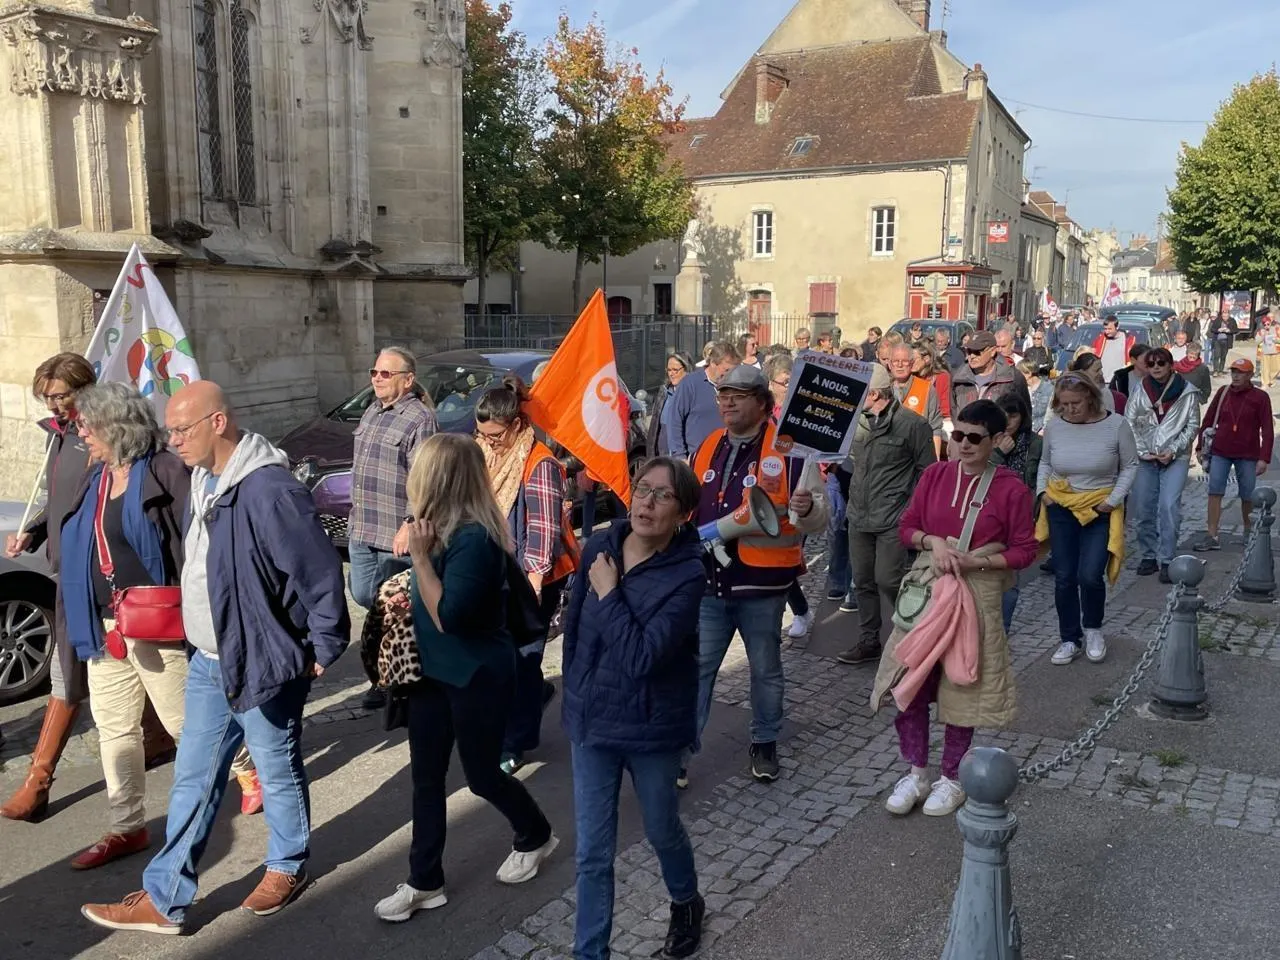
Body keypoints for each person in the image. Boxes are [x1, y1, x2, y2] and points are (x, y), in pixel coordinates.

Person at [81, 381, 350, 933]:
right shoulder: (203, 478)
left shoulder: (269, 490)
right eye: (170, 430)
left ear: (218, 423)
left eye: (182, 429)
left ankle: (287, 865)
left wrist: (324, 645)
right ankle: (165, 897)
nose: (173, 440)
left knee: (275, 767)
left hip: (262, 656)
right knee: (193, 777)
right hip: (208, 659)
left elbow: (318, 572)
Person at [372, 433, 558, 924]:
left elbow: (449, 618)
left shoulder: (474, 539)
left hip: (476, 675)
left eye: (418, 470)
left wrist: (418, 560)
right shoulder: (433, 529)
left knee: (481, 776)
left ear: (436, 478)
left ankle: (536, 834)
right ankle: (424, 881)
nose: (411, 479)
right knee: (426, 779)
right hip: (433, 675)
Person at [564, 457, 706, 960]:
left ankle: (686, 900)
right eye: (643, 489)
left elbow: (642, 658)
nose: (647, 503)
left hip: (652, 727)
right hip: (594, 724)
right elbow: (575, 634)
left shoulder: (688, 576)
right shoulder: (599, 547)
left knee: (661, 829)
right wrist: (576, 697)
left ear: (683, 513)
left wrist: (609, 592)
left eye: (663, 496)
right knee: (592, 854)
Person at [871, 400, 1036, 817]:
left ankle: (952, 777)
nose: (963, 444)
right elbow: (907, 528)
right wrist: (934, 542)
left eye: (974, 438)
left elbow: (1025, 551)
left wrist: (978, 561)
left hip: (976, 596)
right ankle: (916, 772)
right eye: (957, 435)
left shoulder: (1011, 489)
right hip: (928, 591)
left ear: (996, 440)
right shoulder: (935, 475)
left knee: (962, 687)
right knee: (909, 681)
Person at [57, 384, 192, 869]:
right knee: (114, 730)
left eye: (87, 425)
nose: (81, 434)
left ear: (116, 426)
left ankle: (245, 772)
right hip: (103, 624)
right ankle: (127, 826)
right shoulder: (96, 476)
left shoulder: (163, 470)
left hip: (156, 621)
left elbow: (191, 543)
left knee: (183, 723)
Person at [689, 365, 827, 783]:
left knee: (765, 671)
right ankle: (679, 752)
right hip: (711, 582)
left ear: (764, 403)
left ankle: (765, 742)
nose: (727, 403)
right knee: (697, 671)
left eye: (738, 395)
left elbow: (820, 516)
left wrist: (809, 509)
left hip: (764, 584)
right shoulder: (709, 443)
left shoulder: (792, 450)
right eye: (723, 395)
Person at [2, 354, 98, 820]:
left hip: (98, 571)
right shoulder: (57, 436)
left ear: (85, 389)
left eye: (60, 396)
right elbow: (58, 501)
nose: (53, 405)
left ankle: (37, 781)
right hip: (68, 569)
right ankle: (38, 781)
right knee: (77, 669)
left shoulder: (101, 435)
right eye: (46, 397)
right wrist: (34, 531)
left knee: (77, 672)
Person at [474, 376, 579, 773]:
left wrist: (533, 583)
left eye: (495, 436)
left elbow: (544, 528)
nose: (489, 443)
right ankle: (530, 699)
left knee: (523, 659)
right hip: (497, 574)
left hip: (532, 578)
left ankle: (515, 743)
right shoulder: (487, 455)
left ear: (517, 425)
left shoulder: (540, 464)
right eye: (482, 435)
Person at [349, 347, 437, 712]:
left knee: (393, 606)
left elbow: (424, 478)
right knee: (364, 595)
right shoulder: (372, 410)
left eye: (386, 373)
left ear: (408, 380)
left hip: (394, 533)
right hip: (363, 526)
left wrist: (409, 524)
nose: (377, 379)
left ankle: (389, 680)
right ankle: (394, 669)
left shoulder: (419, 419)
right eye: (374, 372)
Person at [838, 365, 936, 665]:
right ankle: (869, 640)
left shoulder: (913, 425)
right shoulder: (852, 422)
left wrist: (911, 510)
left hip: (893, 518)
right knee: (863, 581)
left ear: (875, 394)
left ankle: (913, 631)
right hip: (859, 515)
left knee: (888, 579)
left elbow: (928, 474)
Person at [1037, 373, 1138, 664]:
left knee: (1090, 575)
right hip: (1061, 505)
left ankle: (1093, 628)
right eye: (1064, 404)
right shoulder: (1055, 426)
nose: (1069, 409)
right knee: (1064, 577)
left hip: (1099, 507)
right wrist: (1043, 492)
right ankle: (1069, 638)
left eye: (1075, 403)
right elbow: (1045, 462)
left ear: (1091, 399)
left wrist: (1112, 501)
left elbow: (1130, 465)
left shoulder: (1116, 425)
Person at [1127, 347, 1200, 583]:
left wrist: (1174, 450)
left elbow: (1192, 425)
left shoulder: (1187, 391)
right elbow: (1129, 421)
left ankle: (1167, 559)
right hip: (1146, 457)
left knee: (1168, 506)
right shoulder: (1141, 388)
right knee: (1143, 507)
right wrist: (1142, 451)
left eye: (1161, 363)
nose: (1156, 367)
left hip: (1175, 457)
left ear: (1170, 365)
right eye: (1151, 364)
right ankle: (1148, 555)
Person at [763, 355, 821, 635]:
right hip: (769, 494)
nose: (789, 387)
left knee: (785, 558)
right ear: (771, 384)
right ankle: (799, 611)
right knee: (776, 559)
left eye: (793, 382)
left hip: (799, 494)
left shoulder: (803, 413)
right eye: (785, 382)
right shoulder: (763, 416)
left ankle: (798, 612)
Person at [1193, 359, 1274, 550]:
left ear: (1250, 375)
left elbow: (1267, 430)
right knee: (1214, 491)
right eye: (1234, 372)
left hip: (1248, 453)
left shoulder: (1260, 397)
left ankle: (1248, 531)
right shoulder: (1223, 393)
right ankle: (1212, 535)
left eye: (1241, 372)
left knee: (1247, 494)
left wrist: (1264, 458)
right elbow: (1208, 421)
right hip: (1221, 451)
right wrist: (1200, 447)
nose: (1236, 376)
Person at [990, 393, 1041, 634]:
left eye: (1014, 416)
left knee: (1010, 579)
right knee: (985, 575)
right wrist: (999, 452)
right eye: (1004, 416)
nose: (1009, 421)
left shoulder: (1035, 443)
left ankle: (1003, 631)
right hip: (990, 514)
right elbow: (978, 471)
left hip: (1019, 516)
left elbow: (1040, 479)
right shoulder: (988, 440)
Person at [669, 341, 740, 460]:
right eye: (726, 370)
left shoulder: (734, 386)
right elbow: (675, 421)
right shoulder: (689, 384)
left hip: (728, 457)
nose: (730, 375)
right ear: (713, 363)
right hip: (698, 459)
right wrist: (680, 457)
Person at [950, 330, 1031, 416]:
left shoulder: (1013, 378)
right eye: (969, 351)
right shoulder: (957, 377)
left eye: (977, 352)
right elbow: (952, 411)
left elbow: (1025, 414)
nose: (972, 356)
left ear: (992, 351)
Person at [888, 343, 943, 457]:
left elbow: (935, 428)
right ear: (889, 364)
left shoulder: (926, 389)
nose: (900, 365)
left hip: (918, 454)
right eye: (896, 361)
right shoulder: (884, 390)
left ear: (912, 363)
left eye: (905, 361)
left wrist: (935, 462)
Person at [647, 352, 694, 458]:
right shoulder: (664, 393)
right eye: (669, 370)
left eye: (675, 370)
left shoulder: (695, 395)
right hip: (663, 458)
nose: (671, 374)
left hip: (684, 459)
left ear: (687, 369)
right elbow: (654, 430)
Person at [1016, 359, 1053, 434]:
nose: (1016, 376)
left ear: (1029, 373)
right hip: (1025, 432)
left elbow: (1053, 414)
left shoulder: (1050, 389)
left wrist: (1044, 429)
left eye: (1019, 373)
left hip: (1042, 433)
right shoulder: (1020, 389)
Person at [1175, 342, 1212, 408]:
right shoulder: (1179, 365)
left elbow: (1206, 388)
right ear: (1187, 353)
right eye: (1191, 354)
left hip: (1193, 403)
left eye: (1195, 355)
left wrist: (1199, 400)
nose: (1192, 357)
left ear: (1198, 355)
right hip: (1177, 401)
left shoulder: (1203, 368)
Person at [1209, 308, 1234, 375]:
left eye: (1226, 316)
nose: (1224, 318)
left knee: (1223, 356)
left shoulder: (1232, 320)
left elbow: (1236, 330)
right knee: (1216, 356)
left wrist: (1229, 330)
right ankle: (1215, 370)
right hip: (1217, 340)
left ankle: (1220, 370)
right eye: (1223, 316)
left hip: (1226, 341)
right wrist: (1218, 330)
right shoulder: (1217, 320)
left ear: (1228, 315)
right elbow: (1212, 329)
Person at [1258, 316, 1280, 387]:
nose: (1266, 326)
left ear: (1270, 323)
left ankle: (1271, 380)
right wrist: (1262, 336)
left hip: (1275, 352)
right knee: (1265, 368)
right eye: (1264, 325)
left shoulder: (1276, 329)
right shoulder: (1261, 331)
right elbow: (1257, 341)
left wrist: (1276, 339)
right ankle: (1265, 383)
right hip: (1265, 352)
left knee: (1277, 368)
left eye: (1268, 324)